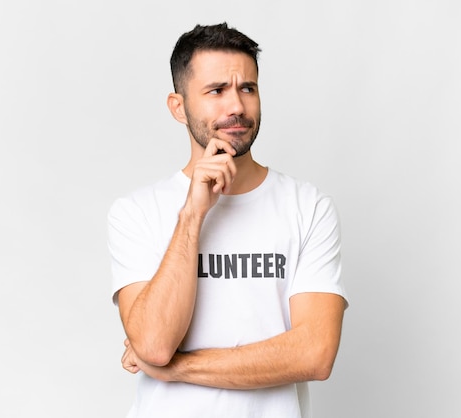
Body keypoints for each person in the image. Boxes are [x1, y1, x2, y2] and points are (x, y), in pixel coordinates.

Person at [108, 22, 348, 418]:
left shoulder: (308, 206)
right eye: (216, 91)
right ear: (178, 106)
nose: (236, 106)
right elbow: (153, 345)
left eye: (247, 89)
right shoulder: (136, 213)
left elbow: (315, 353)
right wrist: (193, 213)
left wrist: (178, 368)